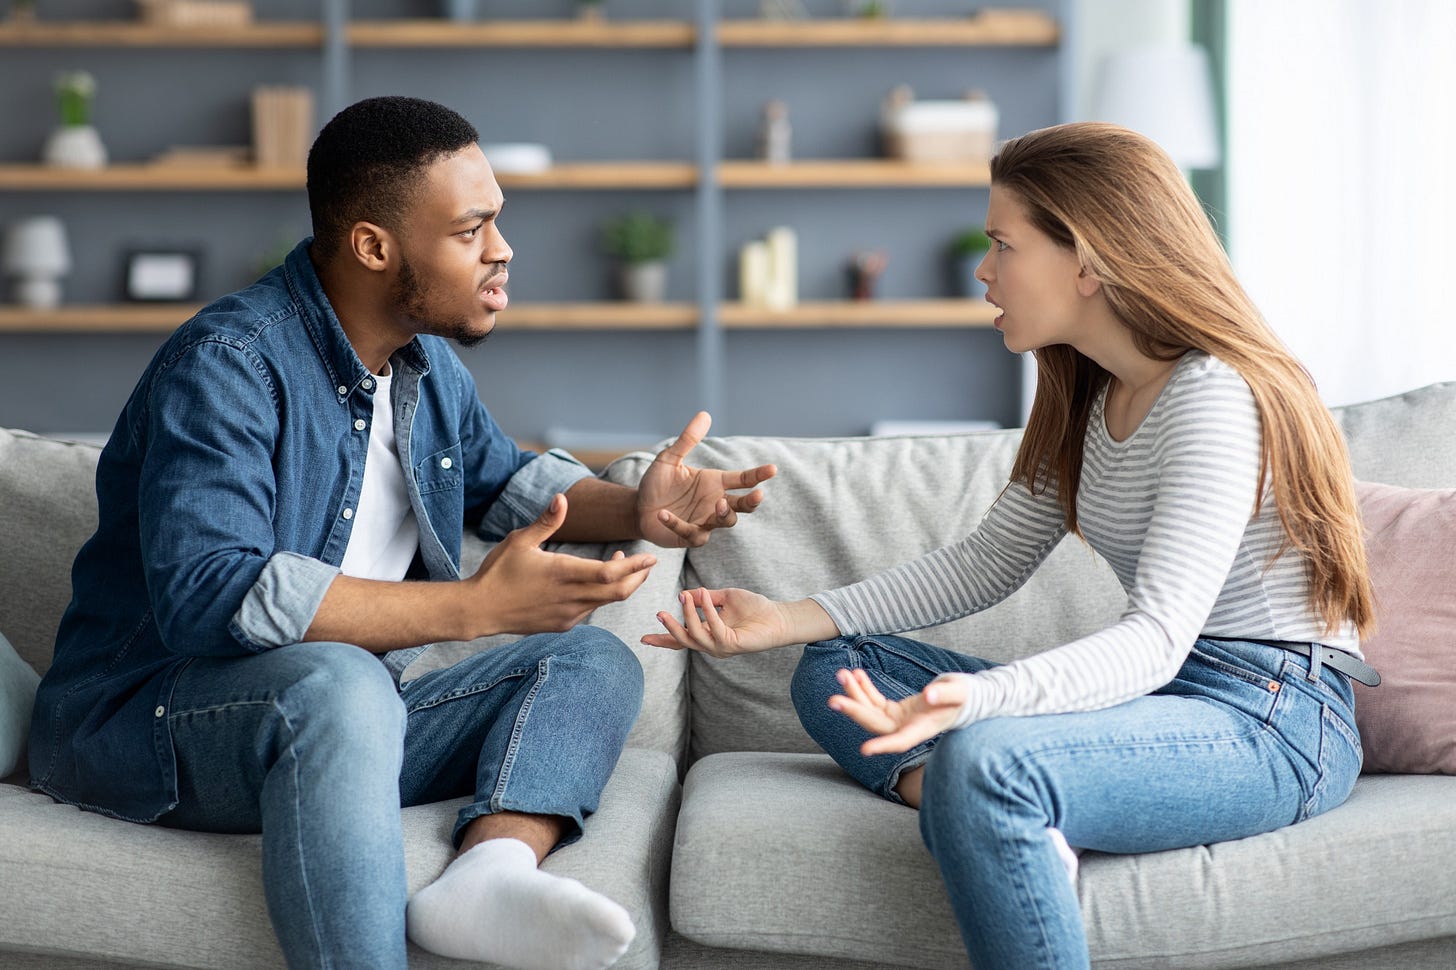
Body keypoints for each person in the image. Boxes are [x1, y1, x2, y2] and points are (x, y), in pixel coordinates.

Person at [29, 96, 775, 970]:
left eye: (497, 221)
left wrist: (637, 509)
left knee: (588, 661)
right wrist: (469, 608)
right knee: (340, 684)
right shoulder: (228, 364)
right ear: (374, 247)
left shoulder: (424, 367)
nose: (502, 250)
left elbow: (508, 481)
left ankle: (487, 873)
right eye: (471, 230)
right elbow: (210, 597)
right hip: (152, 721)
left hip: (347, 716)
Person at [642, 121, 1380, 969]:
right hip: (1173, 696)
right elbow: (985, 563)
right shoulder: (1085, 393)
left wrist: (984, 704)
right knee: (834, 672)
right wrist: (782, 622)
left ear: (1090, 258)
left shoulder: (1212, 397)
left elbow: (1157, 638)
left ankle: (995, 802)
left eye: (1003, 244)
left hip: (1272, 716)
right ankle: (1005, 825)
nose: (984, 270)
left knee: (989, 760)